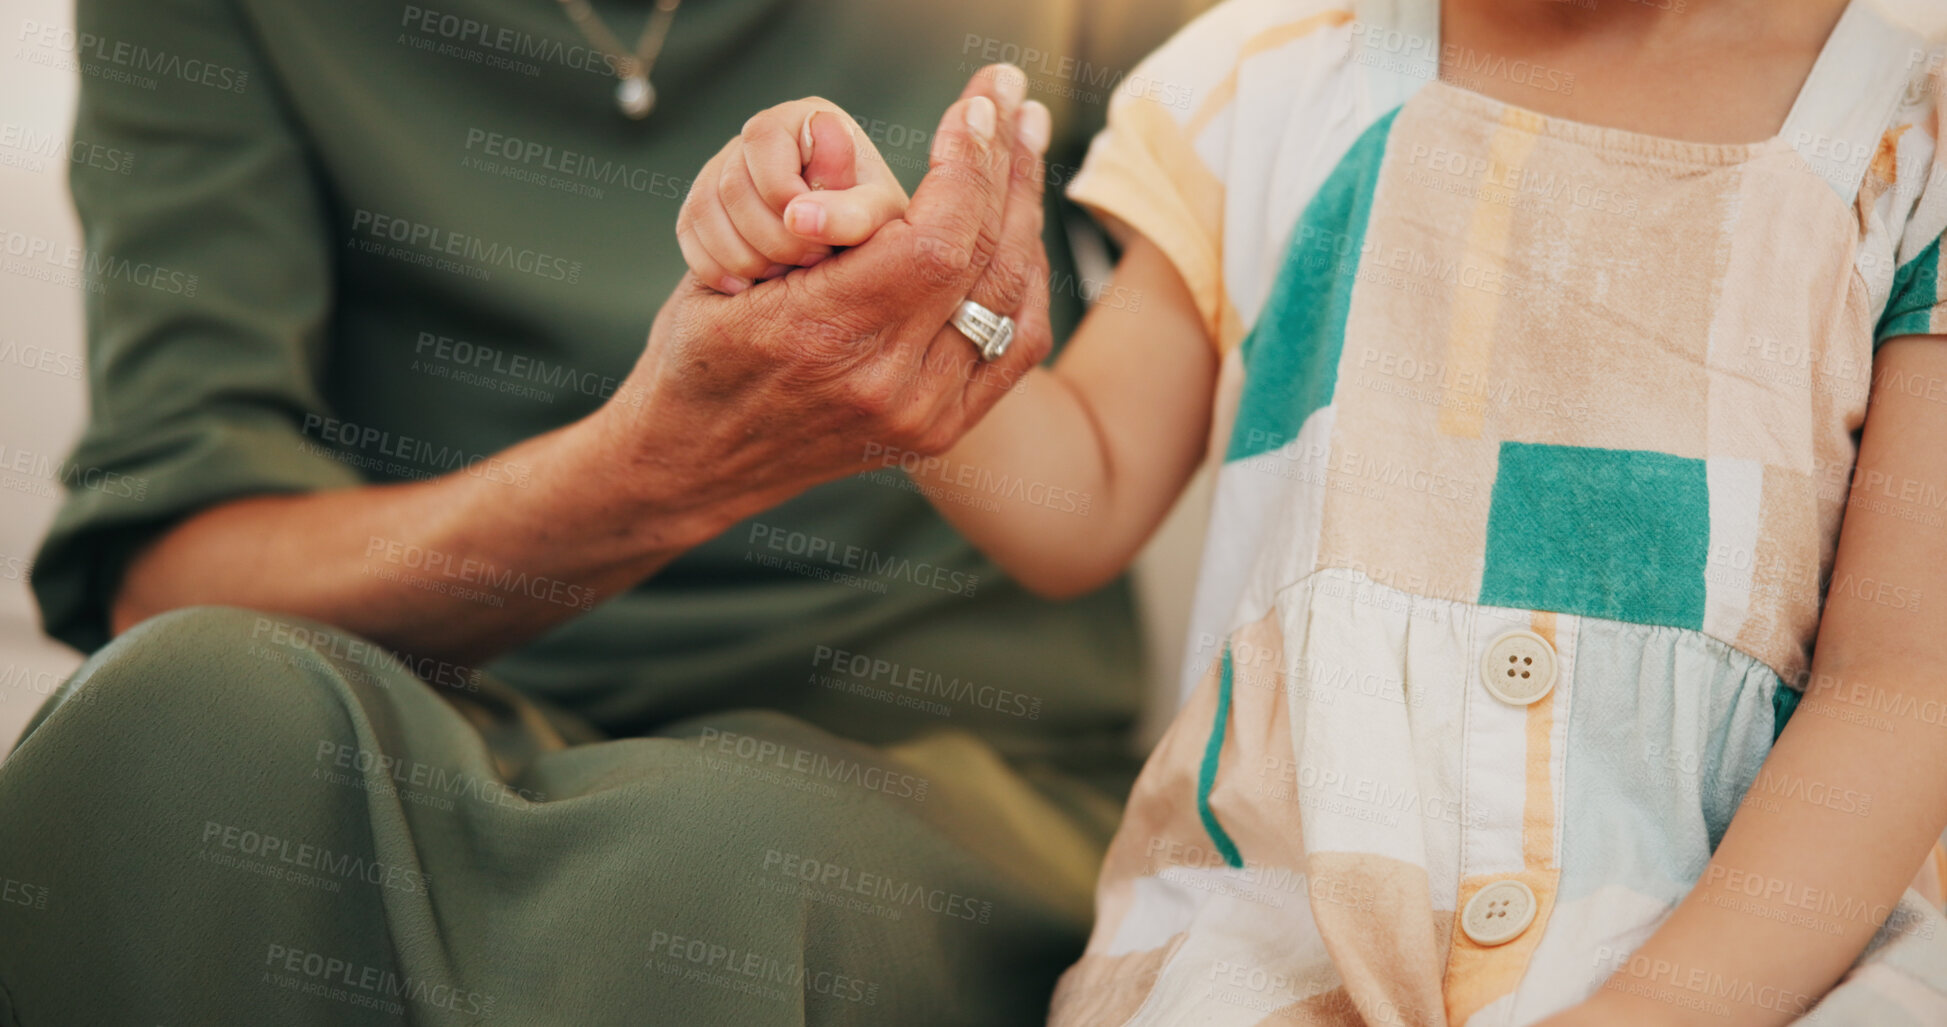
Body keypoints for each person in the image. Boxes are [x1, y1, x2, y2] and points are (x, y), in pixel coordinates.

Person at [684, 0, 1947, 1022]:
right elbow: (1083, 492)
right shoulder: (1267, 76)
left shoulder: (1912, 124)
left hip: (1764, 946)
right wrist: (876, 309)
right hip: (1280, 933)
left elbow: (1902, 682)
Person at [0, 0, 1211, 1022]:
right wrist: (664, 462)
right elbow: (168, 579)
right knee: (170, 726)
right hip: (437, 725)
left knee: (703, 873)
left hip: (938, 768)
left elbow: (1310, 128)